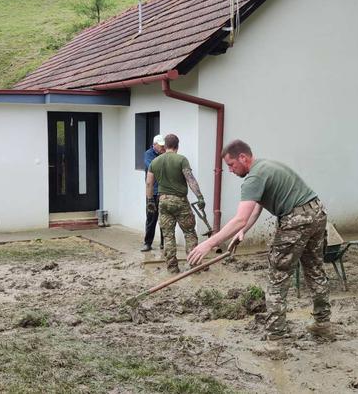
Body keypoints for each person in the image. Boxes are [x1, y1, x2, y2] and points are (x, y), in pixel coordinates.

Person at [187, 140, 333, 346]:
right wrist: (242, 232)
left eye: (231, 165)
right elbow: (256, 207)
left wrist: (208, 244)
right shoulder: (266, 166)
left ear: (243, 158)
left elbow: (239, 217)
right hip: (316, 213)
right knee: (315, 270)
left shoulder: (253, 178)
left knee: (277, 278)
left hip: (296, 221)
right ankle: (323, 323)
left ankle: (276, 338)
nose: (229, 170)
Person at [146, 134, 205, 273]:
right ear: (177, 146)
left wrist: (150, 201)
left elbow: (149, 183)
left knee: (168, 235)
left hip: (163, 201)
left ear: (165, 146)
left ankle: (172, 268)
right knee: (189, 232)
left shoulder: (155, 162)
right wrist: (200, 197)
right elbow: (190, 180)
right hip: (180, 201)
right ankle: (195, 266)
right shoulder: (182, 160)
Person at [141, 135, 166, 252]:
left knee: (164, 218)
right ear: (154, 144)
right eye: (160, 146)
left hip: (163, 191)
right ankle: (147, 243)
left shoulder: (165, 153)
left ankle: (164, 243)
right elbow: (152, 167)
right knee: (151, 218)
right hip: (152, 192)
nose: (162, 148)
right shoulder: (148, 154)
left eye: (163, 146)